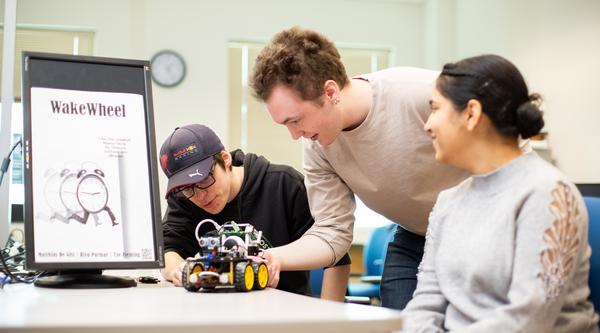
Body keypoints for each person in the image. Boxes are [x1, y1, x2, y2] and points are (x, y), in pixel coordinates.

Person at [249, 26, 468, 309]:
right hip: (417, 236)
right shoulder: (317, 145)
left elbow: (507, 145)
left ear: (330, 91)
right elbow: (332, 232)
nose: (294, 134)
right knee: (399, 323)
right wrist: (276, 257)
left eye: (296, 120)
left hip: (481, 232)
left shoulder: (420, 94)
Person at [401, 54, 599, 332]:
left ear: (471, 113)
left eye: (435, 109)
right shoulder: (448, 202)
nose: (427, 125)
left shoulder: (548, 194)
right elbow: (425, 305)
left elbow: (527, 320)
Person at [158, 124, 350, 300]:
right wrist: (179, 269)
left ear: (225, 159)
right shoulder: (184, 198)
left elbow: (337, 258)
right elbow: (166, 251)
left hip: (284, 315)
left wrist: (331, 321)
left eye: (203, 181)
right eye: (188, 188)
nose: (199, 196)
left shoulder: (284, 185)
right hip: (212, 315)